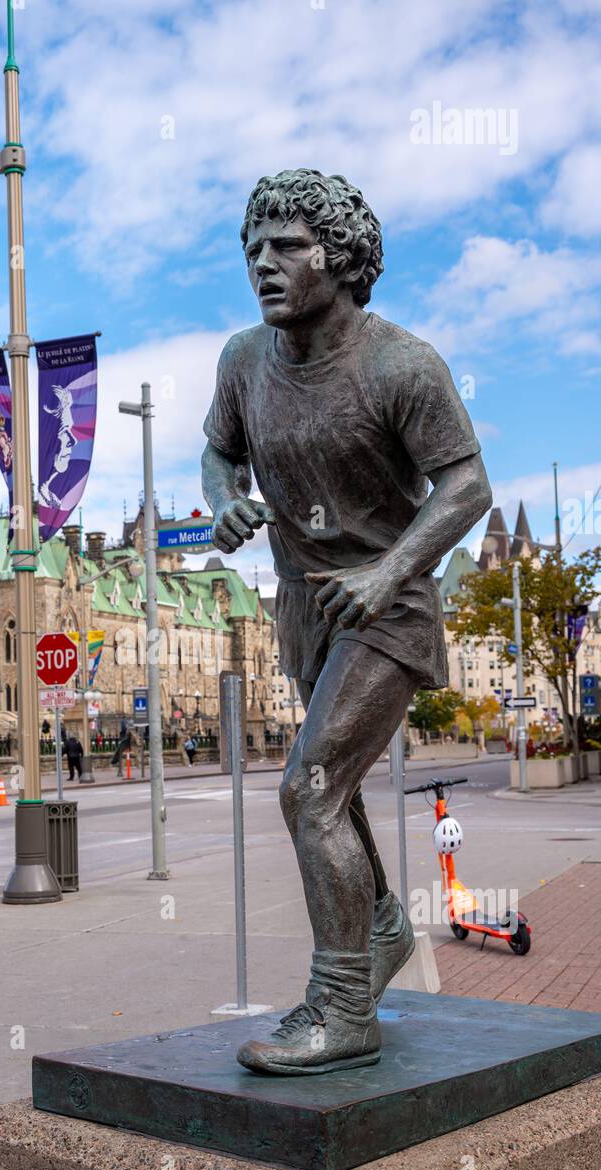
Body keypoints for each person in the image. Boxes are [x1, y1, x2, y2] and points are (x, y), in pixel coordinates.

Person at [202, 168, 491, 1076]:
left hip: (388, 605)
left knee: (309, 787)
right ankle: (381, 930)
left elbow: (468, 485)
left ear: (342, 256)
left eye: (286, 246)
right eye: (254, 248)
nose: (264, 263)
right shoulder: (243, 361)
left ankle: (341, 1005)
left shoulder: (401, 364)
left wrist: (391, 568)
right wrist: (225, 501)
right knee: (337, 788)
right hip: (303, 602)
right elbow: (218, 452)